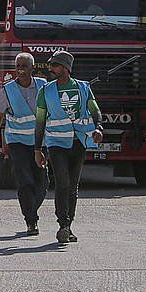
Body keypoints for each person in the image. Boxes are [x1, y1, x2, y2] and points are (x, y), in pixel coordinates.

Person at [35, 50, 104, 245]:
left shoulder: (83, 88)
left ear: (65, 68)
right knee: (62, 183)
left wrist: (98, 128)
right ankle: (62, 224)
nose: (51, 69)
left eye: (55, 66)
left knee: (73, 187)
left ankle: (68, 226)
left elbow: (94, 110)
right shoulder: (45, 91)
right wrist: (37, 149)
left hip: (78, 143)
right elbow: (40, 121)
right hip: (56, 144)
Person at [0, 53, 48, 235]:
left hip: (40, 143)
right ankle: (31, 221)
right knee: (25, 181)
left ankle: (32, 209)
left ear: (32, 68)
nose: (20, 70)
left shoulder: (43, 87)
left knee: (42, 183)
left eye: (24, 66)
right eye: (18, 66)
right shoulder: (8, 90)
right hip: (17, 142)